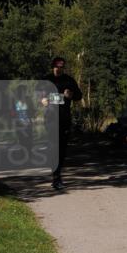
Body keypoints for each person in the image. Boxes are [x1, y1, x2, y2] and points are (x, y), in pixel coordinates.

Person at [41, 57, 83, 189]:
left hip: (64, 118)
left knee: (62, 148)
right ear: (52, 66)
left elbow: (79, 96)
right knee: (52, 147)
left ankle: (57, 175)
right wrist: (41, 100)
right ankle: (56, 175)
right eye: (56, 67)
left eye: (61, 67)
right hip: (50, 118)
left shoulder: (69, 80)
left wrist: (71, 96)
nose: (59, 69)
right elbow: (39, 96)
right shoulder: (46, 80)